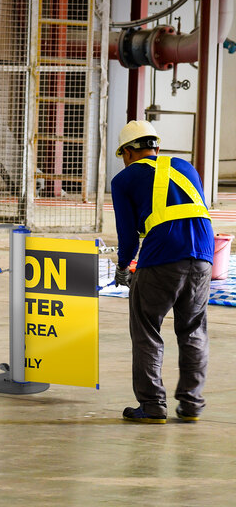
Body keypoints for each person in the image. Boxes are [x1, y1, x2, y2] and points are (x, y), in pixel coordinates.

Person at [111, 120, 214, 424]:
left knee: (146, 329)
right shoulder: (187, 168)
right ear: (156, 146)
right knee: (194, 329)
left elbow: (128, 236)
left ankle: (153, 405)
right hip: (204, 257)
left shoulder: (124, 179)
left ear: (129, 152)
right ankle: (192, 404)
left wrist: (123, 268)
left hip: (162, 257)